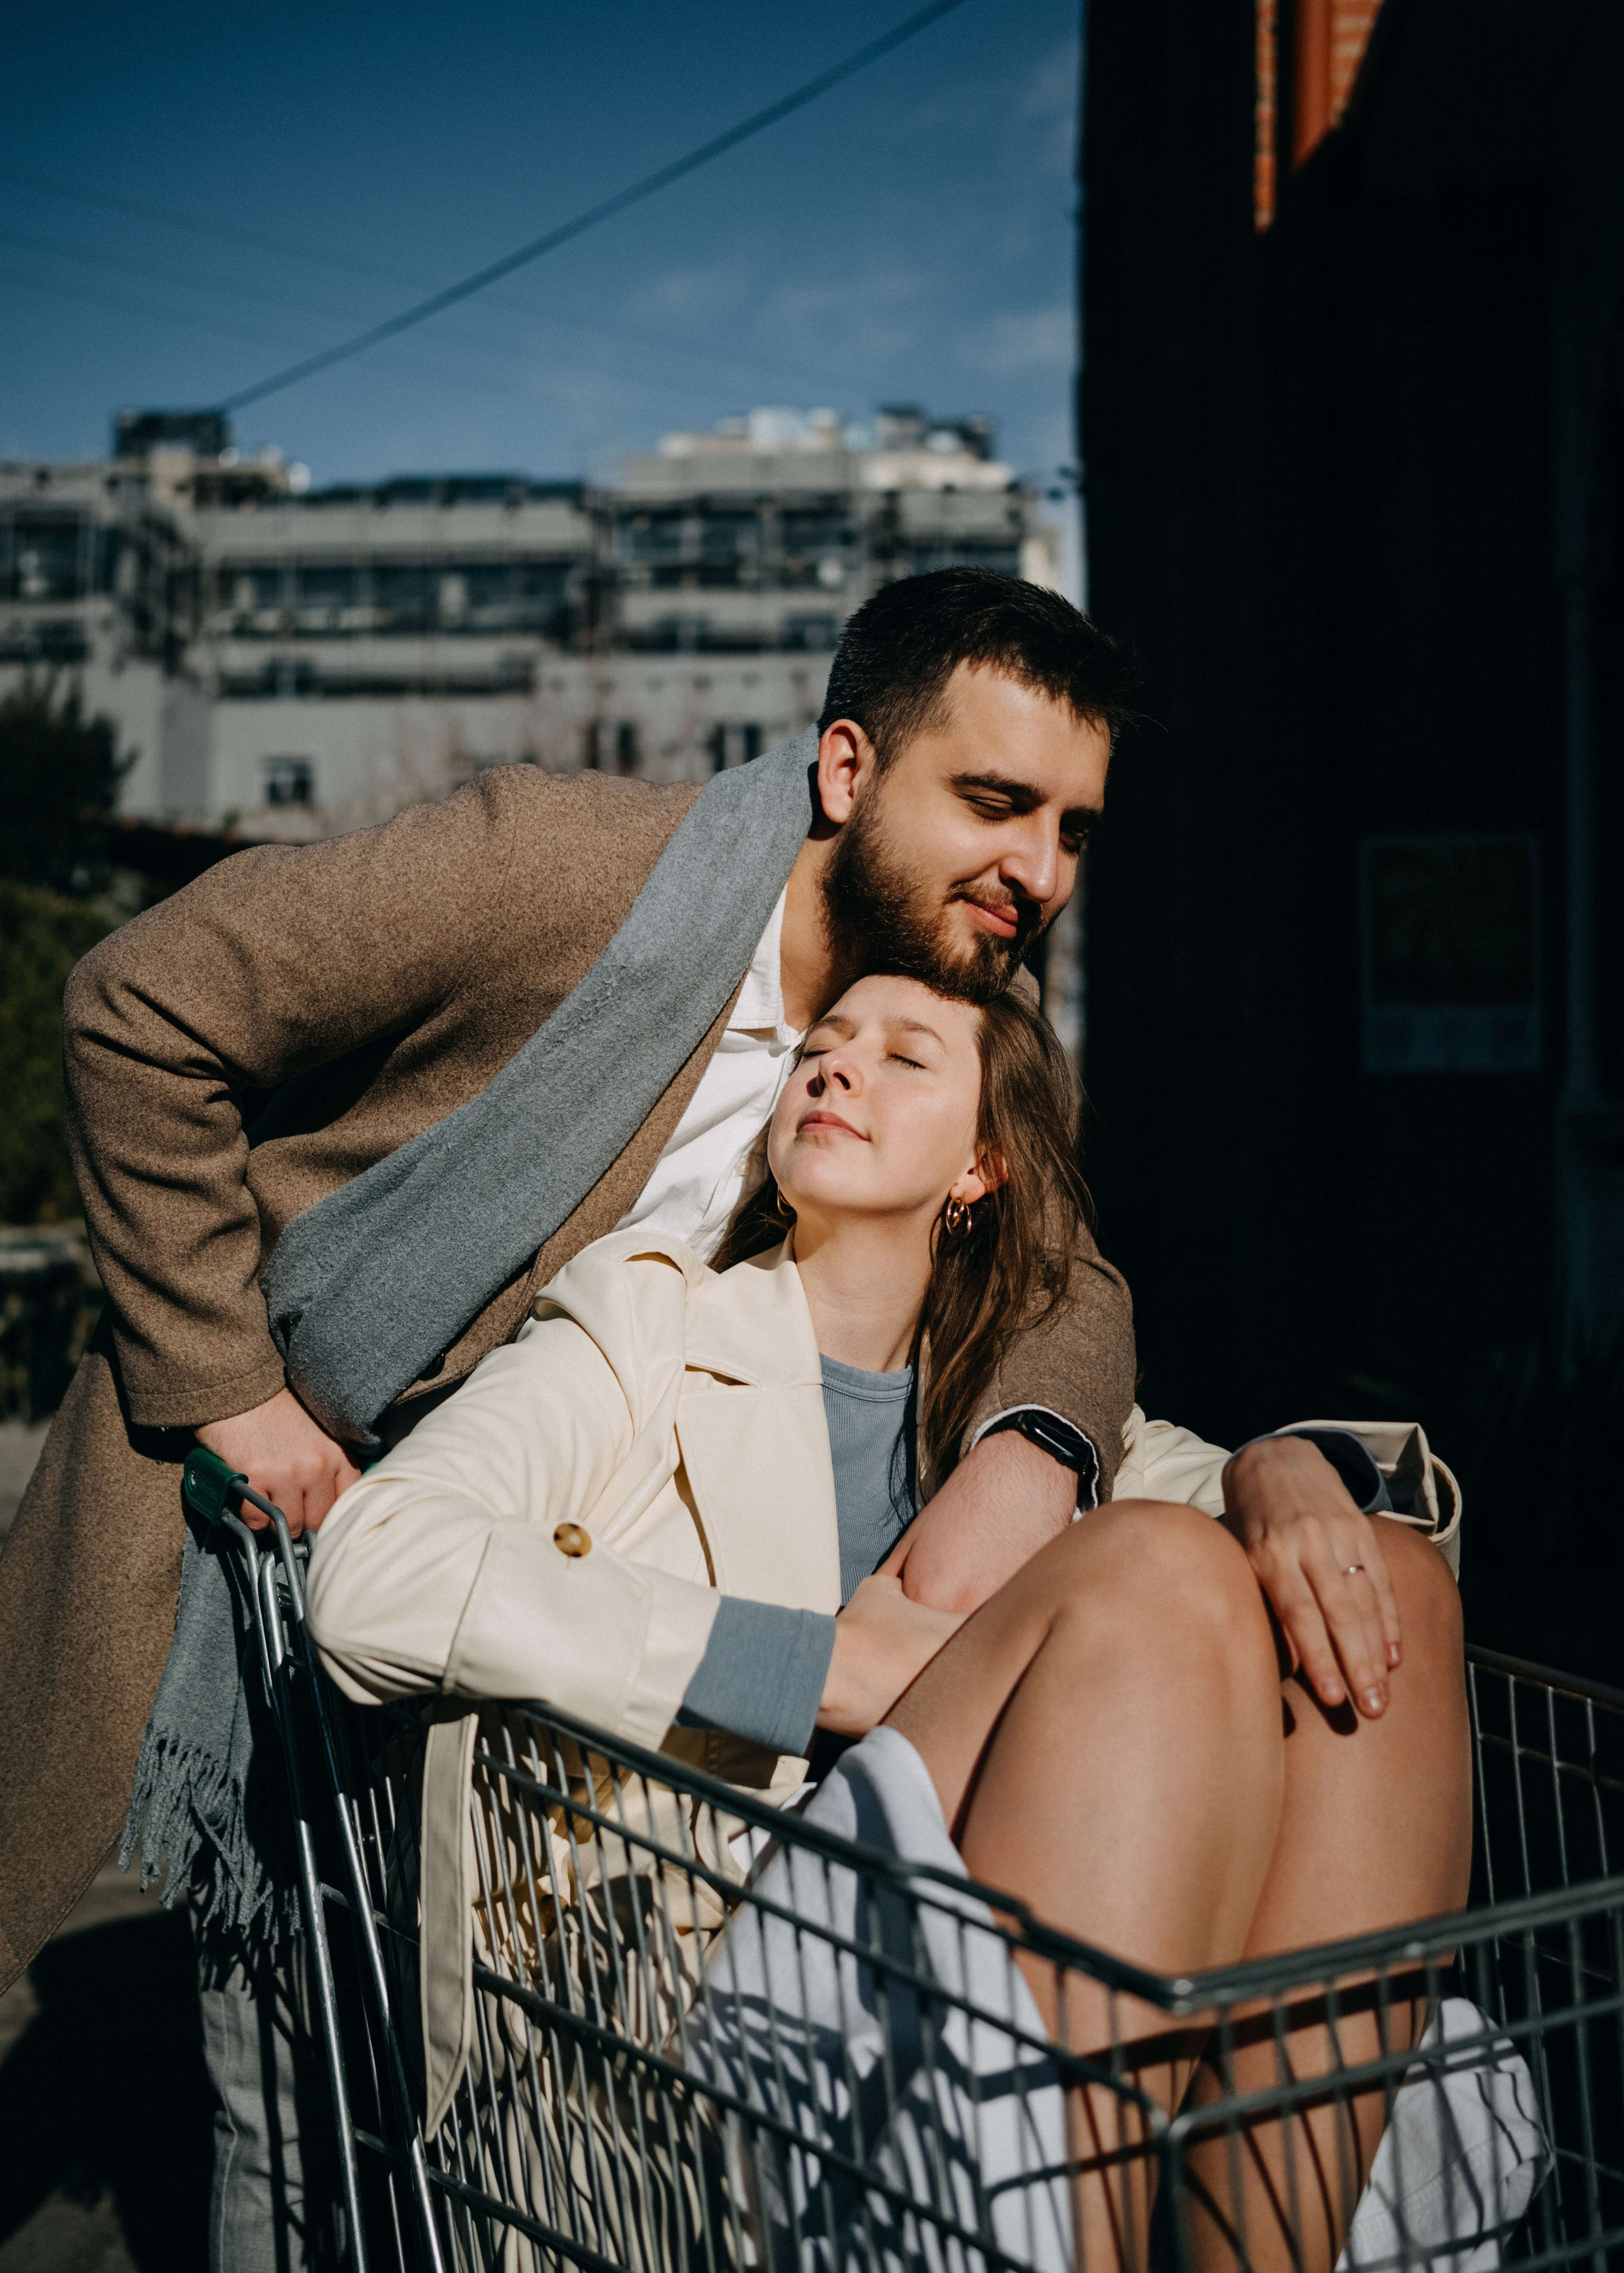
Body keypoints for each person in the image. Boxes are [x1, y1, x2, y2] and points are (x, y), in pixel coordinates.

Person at [0, 570, 1146, 2268]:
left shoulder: (954, 995)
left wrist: (1030, 1446)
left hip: (534, 1595)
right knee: (273, 2074)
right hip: (260, 1511)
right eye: (994, 802)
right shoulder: (560, 869)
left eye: (1070, 827)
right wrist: (227, 1380)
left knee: (456, 2121)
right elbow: (143, 1005)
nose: (1039, 871)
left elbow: (1066, 1266)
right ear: (846, 772)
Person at [305, 969, 1470, 2273]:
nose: (837, 1066)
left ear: (981, 1166)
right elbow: (372, 1567)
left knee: (1390, 1581)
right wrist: (815, 1665)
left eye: (902, 1055)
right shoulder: (643, 1322)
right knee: (1158, 1564)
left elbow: (1298, 1532)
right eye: (821, 1044)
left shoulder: (1028, 1418)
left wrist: (1283, 1467)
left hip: (1004, 1939)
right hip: (716, 1953)